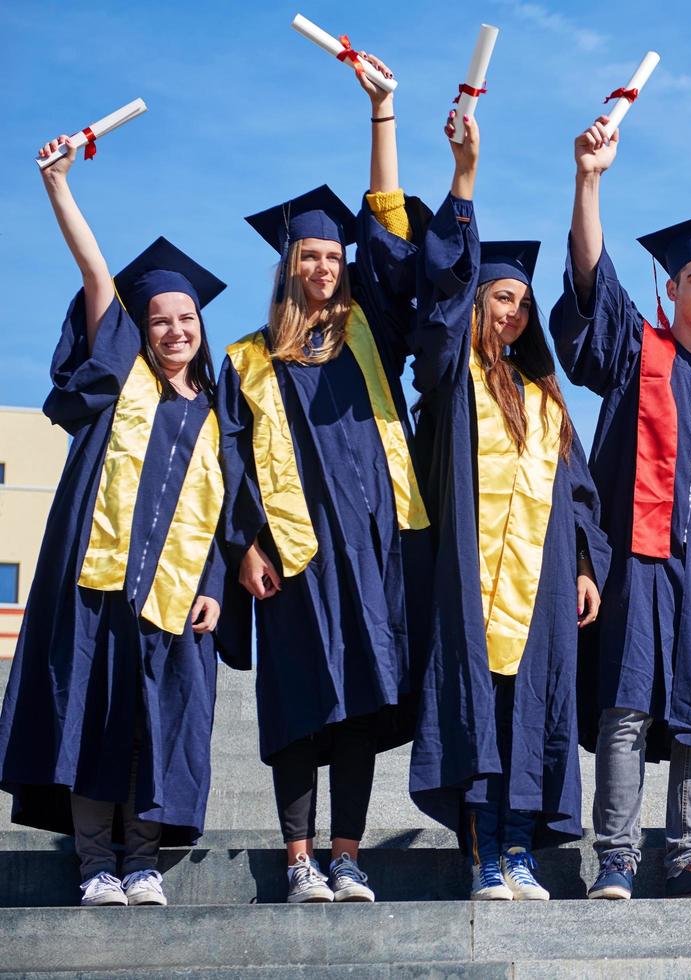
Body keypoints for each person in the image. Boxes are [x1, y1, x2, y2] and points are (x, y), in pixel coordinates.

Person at [0, 135, 240, 907]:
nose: (174, 330)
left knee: (155, 722)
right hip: (93, 585)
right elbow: (97, 276)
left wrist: (213, 585)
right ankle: (95, 861)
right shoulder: (118, 383)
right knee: (90, 716)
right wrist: (59, 188)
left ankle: (143, 862)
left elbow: (228, 511)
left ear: (201, 326)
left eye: (186, 318)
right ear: (140, 329)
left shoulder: (217, 414)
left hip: (173, 599)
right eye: (159, 319)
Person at [215, 51, 429, 904]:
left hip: (375, 552)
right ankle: (299, 857)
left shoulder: (370, 333)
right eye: (309, 254)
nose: (325, 264)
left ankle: (347, 854)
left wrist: (382, 116)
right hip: (296, 559)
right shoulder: (246, 359)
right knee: (303, 704)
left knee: (364, 709)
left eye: (332, 253)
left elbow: (390, 235)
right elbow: (227, 463)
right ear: (286, 265)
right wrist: (242, 547)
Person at [549, 115, 691, 900]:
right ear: (668, 289)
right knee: (627, 705)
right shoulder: (634, 352)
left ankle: (686, 854)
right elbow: (589, 282)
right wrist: (589, 182)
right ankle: (614, 857)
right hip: (639, 560)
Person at [407, 114, 611, 902]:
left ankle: (519, 851)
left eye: (523, 304)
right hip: (470, 581)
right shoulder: (454, 383)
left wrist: (589, 563)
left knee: (533, 715)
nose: (513, 314)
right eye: (499, 297)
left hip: (539, 586)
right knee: (479, 717)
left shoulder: (546, 399)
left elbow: (579, 491)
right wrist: (464, 178)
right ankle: (482, 854)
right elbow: (440, 309)